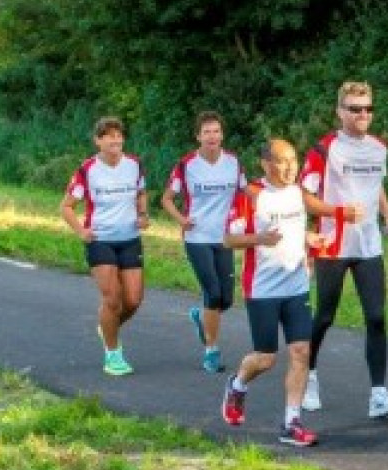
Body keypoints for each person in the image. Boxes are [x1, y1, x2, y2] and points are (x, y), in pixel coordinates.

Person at [298, 80, 388, 419]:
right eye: (354, 109)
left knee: (376, 317)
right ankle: (307, 377)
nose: (362, 114)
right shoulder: (324, 149)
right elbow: (304, 196)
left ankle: (378, 394)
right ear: (340, 112)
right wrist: (338, 212)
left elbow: (377, 186)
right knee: (325, 316)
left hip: (368, 244)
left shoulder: (378, 148)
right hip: (333, 244)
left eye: (367, 109)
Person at [220, 139, 329, 447]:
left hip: (296, 285)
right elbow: (228, 239)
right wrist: (259, 238)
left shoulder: (298, 193)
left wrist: (309, 238)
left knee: (301, 352)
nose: (291, 167)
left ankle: (291, 422)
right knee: (266, 358)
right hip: (263, 288)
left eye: (293, 160)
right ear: (266, 164)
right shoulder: (251, 195)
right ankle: (238, 385)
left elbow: (294, 228)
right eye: (282, 161)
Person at [60, 116, 149, 376]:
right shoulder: (87, 169)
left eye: (119, 135)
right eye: (109, 136)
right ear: (98, 141)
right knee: (112, 301)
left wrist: (142, 215)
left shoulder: (134, 164)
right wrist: (81, 231)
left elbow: (141, 192)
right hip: (100, 241)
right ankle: (113, 354)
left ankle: (107, 327)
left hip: (130, 238)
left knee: (132, 301)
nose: (115, 140)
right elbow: (66, 206)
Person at [161, 111, 248, 373]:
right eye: (206, 132)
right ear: (198, 136)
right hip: (197, 237)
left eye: (216, 131)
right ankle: (211, 351)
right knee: (212, 292)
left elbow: (247, 192)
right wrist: (181, 219)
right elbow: (166, 199)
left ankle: (201, 317)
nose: (212, 136)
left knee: (227, 299)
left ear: (222, 135)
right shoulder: (187, 165)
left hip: (224, 237)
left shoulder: (232, 162)